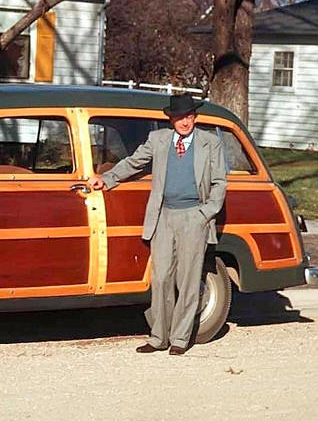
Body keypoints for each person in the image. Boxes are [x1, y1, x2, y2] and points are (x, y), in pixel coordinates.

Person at [87, 93, 227, 355]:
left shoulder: (210, 143)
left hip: (193, 216)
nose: (184, 122)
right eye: (179, 118)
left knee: (188, 278)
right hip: (163, 216)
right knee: (161, 278)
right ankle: (158, 337)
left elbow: (220, 182)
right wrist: (107, 179)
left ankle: (180, 339)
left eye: (189, 116)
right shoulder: (158, 140)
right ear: (171, 119)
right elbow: (134, 162)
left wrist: (205, 213)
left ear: (194, 117)